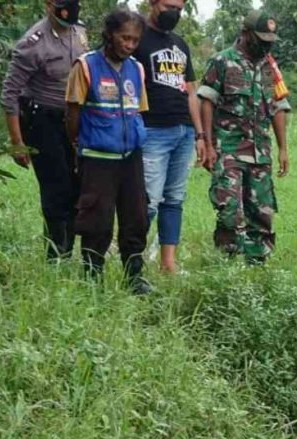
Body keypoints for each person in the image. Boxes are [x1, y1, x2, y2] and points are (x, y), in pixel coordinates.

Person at [64, 8, 153, 295]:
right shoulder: (86, 66)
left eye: (135, 40)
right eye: (124, 37)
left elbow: (138, 110)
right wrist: (80, 146)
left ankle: (135, 277)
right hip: (98, 158)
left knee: (136, 217)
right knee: (96, 220)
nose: (129, 45)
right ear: (110, 34)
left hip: (131, 158)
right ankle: (92, 279)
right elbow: (72, 112)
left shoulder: (136, 69)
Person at [197, 9, 290, 265]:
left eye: (270, 41)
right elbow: (206, 101)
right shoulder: (222, 62)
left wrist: (283, 148)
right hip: (229, 150)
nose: (266, 45)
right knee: (229, 212)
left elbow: (278, 107)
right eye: (261, 39)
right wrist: (207, 142)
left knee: (261, 212)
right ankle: (227, 270)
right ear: (245, 33)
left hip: (260, 152)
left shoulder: (271, 67)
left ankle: (257, 268)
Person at [0, 0, 87, 261]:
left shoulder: (79, 31)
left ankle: (68, 251)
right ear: (49, 3)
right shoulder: (33, 43)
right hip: (43, 120)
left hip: (74, 119)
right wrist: (17, 142)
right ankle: (55, 256)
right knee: (55, 187)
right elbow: (10, 94)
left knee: (76, 187)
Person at [134, 0, 207, 274]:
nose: (174, 12)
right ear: (153, 3)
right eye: (169, 5)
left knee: (174, 198)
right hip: (152, 129)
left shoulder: (180, 44)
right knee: (148, 200)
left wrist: (199, 134)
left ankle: (168, 263)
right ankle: (133, 258)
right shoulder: (136, 37)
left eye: (180, 7)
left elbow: (191, 92)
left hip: (183, 131)